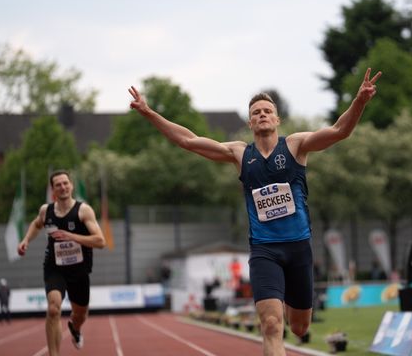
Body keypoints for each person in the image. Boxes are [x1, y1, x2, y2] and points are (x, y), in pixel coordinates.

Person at [128, 67, 382, 355]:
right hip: (265, 251)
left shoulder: (296, 145)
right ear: (250, 122)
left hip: (299, 248)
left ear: (277, 119)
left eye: (267, 110)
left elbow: (339, 131)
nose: (262, 114)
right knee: (272, 325)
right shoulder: (239, 153)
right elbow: (187, 140)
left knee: (299, 327)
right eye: (256, 112)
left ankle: (291, 306)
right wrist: (149, 112)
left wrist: (359, 100)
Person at [17, 170, 105, 356]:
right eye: (58, 184)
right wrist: (26, 240)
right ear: (53, 190)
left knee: (80, 315)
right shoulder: (46, 211)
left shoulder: (83, 210)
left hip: (79, 270)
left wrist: (70, 236)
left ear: (71, 185)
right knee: (53, 308)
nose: (63, 187)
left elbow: (100, 241)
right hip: (55, 267)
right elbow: (36, 224)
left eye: (66, 183)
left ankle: (76, 328)